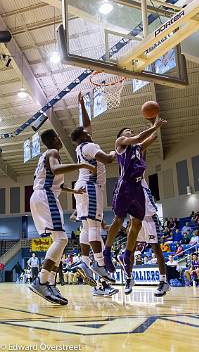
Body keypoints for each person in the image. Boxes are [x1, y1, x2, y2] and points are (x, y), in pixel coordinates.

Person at [29, 129, 95, 305]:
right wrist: (81, 165)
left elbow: (55, 181)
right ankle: (42, 281)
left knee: (58, 240)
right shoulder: (53, 152)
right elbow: (55, 169)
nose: (60, 140)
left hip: (44, 196)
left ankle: (50, 283)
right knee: (62, 239)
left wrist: (73, 190)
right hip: (45, 196)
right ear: (54, 139)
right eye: (58, 137)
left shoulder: (46, 155)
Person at [103, 116, 167, 278]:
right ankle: (107, 251)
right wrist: (154, 126)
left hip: (137, 187)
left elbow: (151, 138)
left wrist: (154, 124)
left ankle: (126, 254)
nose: (129, 132)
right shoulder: (121, 143)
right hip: (125, 186)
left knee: (136, 223)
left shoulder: (138, 148)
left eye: (130, 131)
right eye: (126, 131)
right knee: (118, 219)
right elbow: (138, 137)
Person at [71, 92, 117, 295]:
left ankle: (90, 270)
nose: (90, 131)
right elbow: (107, 159)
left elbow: (87, 124)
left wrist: (82, 105)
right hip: (90, 187)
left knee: (85, 228)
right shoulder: (89, 145)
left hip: (82, 187)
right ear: (83, 136)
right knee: (94, 228)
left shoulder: (82, 145)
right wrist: (118, 151)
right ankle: (98, 264)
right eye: (86, 132)